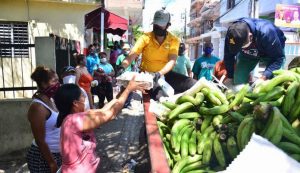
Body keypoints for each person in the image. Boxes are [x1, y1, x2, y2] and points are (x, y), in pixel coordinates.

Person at [54, 77, 147, 173]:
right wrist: (128, 90)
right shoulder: (73, 121)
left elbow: (104, 110)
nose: (85, 98)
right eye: (82, 96)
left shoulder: (74, 117)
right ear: (75, 103)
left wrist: (124, 89)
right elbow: (110, 114)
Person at [116, 9, 197, 100]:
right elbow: (132, 55)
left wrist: (159, 73)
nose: (158, 26)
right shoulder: (145, 38)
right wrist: (122, 66)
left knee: (194, 84)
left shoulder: (173, 40)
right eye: (156, 24)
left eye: (161, 24)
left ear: (168, 25)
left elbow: (172, 60)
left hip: (165, 74)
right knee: (160, 97)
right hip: (147, 77)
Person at [223, 18, 286, 86]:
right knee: (239, 79)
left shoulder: (267, 33)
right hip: (247, 55)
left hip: (272, 53)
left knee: (274, 82)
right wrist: (230, 76)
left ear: (250, 36)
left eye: (242, 46)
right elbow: (228, 56)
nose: (240, 48)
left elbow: (278, 59)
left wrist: (264, 77)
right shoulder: (231, 35)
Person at [26, 66, 61, 173]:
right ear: (43, 83)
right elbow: (40, 140)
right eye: (54, 81)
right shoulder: (38, 107)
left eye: (58, 80)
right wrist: (51, 162)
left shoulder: (51, 100)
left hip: (56, 154)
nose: (57, 84)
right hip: (43, 158)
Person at [116, 43, 135, 108]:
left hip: (129, 75)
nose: (127, 51)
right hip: (123, 76)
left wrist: (133, 74)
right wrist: (119, 73)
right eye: (125, 49)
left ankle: (128, 103)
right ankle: (122, 102)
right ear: (123, 50)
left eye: (128, 49)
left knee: (130, 89)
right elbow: (117, 66)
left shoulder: (131, 57)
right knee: (123, 89)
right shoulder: (120, 57)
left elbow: (133, 66)